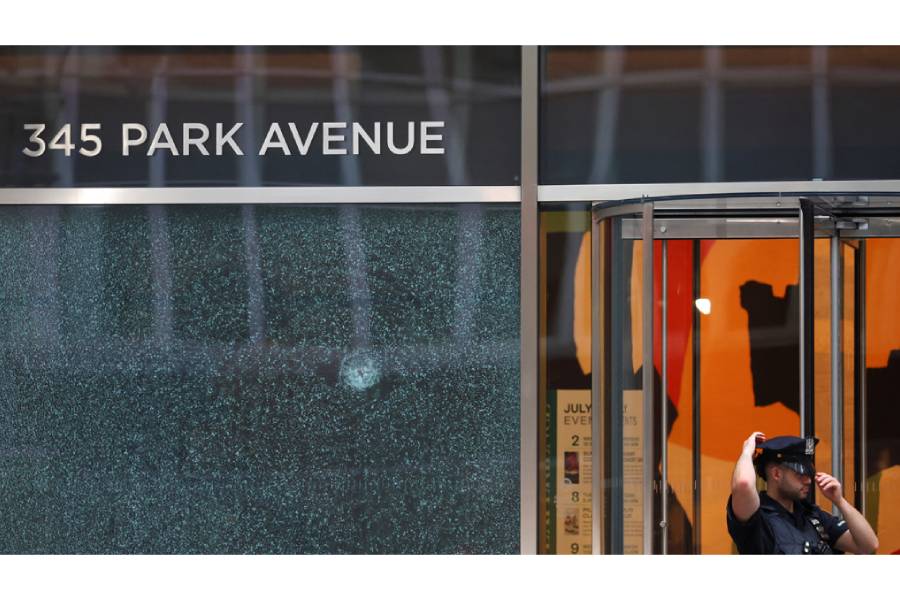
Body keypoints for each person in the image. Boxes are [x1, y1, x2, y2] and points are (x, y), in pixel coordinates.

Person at [727, 431, 879, 554]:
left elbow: (868, 545)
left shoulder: (813, 515)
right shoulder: (757, 518)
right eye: (800, 474)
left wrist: (840, 501)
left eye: (809, 473)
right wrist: (747, 453)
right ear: (777, 474)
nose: (808, 481)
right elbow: (743, 484)